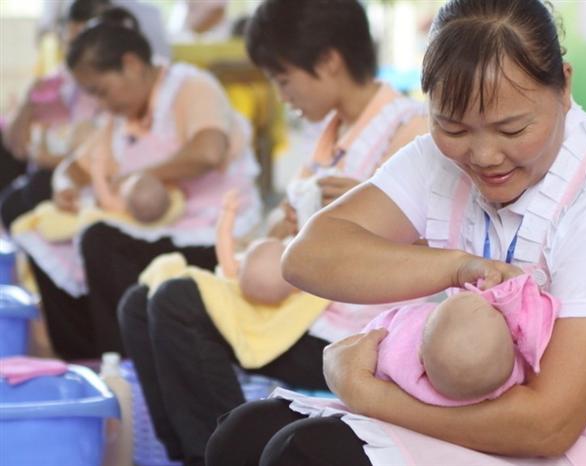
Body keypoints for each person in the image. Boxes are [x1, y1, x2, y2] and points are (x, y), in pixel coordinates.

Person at [206, 0, 586, 464]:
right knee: (243, 435)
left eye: (512, 129)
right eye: (452, 128)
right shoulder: (437, 162)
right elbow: (307, 257)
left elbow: (549, 427)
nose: (484, 156)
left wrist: (367, 393)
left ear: (564, 85)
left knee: (308, 456)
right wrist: (456, 266)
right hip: (483, 401)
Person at [117, 1, 428, 464]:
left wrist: (359, 206)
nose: (282, 96)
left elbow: (421, 234)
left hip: (357, 328)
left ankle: (223, 454)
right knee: (139, 306)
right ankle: (191, 454)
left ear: (328, 61)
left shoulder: (409, 128)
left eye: (283, 80)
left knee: (177, 304)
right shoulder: (329, 137)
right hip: (304, 303)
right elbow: (289, 226)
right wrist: (288, 223)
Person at [12, 7, 261, 360]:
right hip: (150, 225)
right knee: (39, 225)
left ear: (130, 64)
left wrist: (143, 177)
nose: (100, 104)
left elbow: (209, 151)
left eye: (101, 91)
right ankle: (84, 354)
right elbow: (75, 167)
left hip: (212, 231)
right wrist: (65, 186)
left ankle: (124, 358)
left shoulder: (191, 86)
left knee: (101, 240)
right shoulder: (121, 117)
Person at [365, 272, 558, 407]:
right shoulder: (504, 381)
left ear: (421, 355)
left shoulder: (398, 357)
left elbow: (372, 338)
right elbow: (532, 331)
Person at [0, 0, 106, 230]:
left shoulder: (107, 91)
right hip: (42, 166)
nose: (73, 52)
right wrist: (27, 104)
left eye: (83, 44)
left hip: (66, 174)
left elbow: (100, 159)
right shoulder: (54, 82)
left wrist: (45, 159)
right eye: (68, 42)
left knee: (28, 193)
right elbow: (14, 145)